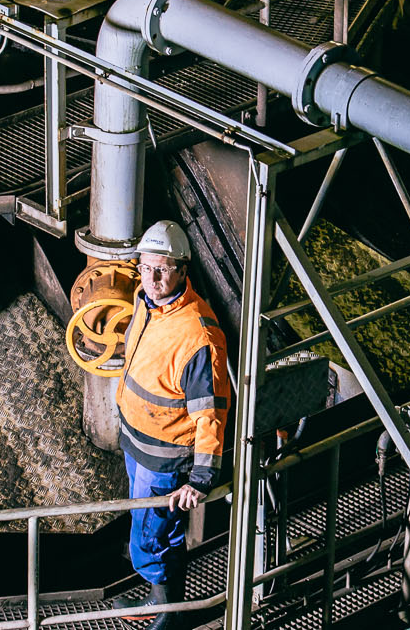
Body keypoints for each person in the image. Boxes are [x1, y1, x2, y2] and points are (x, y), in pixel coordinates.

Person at [115, 219, 230, 630]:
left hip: (164, 459)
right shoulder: (145, 302)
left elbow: (211, 414)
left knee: (154, 535)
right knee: (147, 526)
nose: (153, 278)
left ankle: (169, 615)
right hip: (138, 442)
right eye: (146, 267)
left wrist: (200, 478)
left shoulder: (198, 335)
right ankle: (158, 598)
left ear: (183, 270)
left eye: (162, 268)